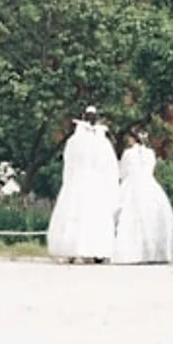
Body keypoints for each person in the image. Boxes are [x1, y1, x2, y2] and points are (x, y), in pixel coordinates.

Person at [46, 106, 118, 264]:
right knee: (92, 213)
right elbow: (110, 167)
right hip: (94, 182)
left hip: (79, 180)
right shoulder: (102, 143)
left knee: (77, 212)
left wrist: (69, 180)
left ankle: (77, 250)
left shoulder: (75, 141)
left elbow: (69, 163)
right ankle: (94, 250)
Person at [112, 131, 173, 264]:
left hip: (131, 184)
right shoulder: (150, 153)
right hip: (149, 184)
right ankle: (153, 252)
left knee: (129, 217)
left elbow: (122, 172)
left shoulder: (128, 154)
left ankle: (130, 251)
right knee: (151, 217)